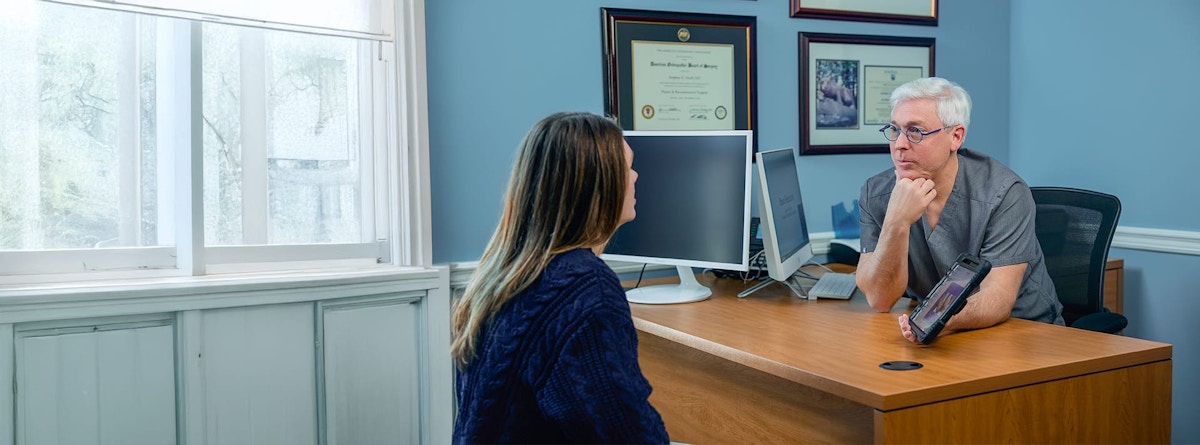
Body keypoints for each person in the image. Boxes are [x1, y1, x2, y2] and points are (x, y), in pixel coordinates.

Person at [450, 112, 669, 443]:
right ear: (597, 186)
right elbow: (629, 434)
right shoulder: (585, 286)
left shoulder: (501, 276)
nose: (635, 177)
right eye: (626, 168)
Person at [854, 77, 1064, 344]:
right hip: (934, 330)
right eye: (895, 130)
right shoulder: (877, 193)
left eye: (916, 131)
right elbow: (880, 299)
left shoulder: (1004, 193)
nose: (900, 145)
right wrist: (896, 221)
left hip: (1025, 332)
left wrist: (941, 318)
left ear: (956, 137)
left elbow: (998, 297)